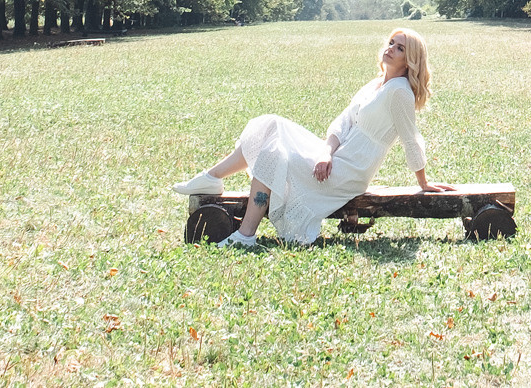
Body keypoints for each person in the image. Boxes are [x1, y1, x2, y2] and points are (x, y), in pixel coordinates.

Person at [173, 26, 450, 247]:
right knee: (270, 124)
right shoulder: (377, 84)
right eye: (391, 42)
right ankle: (212, 179)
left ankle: (245, 235)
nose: (391, 49)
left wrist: (423, 182)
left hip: (349, 172)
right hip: (334, 157)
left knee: (271, 153)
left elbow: (411, 138)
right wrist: (325, 153)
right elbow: (342, 122)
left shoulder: (399, 91)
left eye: (400, 48)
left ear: (410, 59)